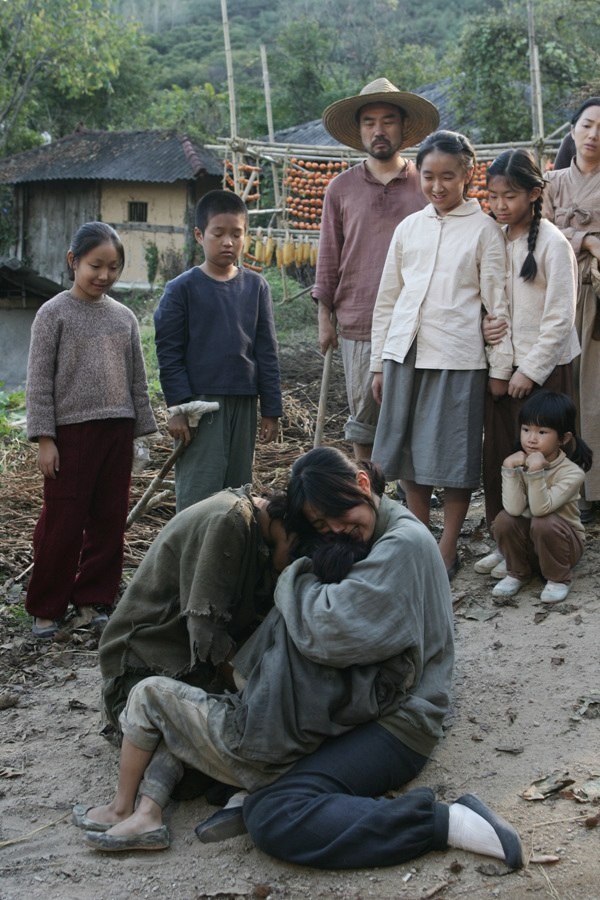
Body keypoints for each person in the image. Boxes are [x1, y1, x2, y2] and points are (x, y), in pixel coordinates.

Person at [72, 448, 522, 872]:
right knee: (249, 776)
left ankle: (446, 822)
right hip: (374, 709)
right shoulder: (375, 536)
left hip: (400, 724)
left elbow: (328, 633)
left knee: (277, 816)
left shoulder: (401, 543)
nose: (336, 530)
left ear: (362, 484)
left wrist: (297, 576)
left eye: (339, 516)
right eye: (320, 525)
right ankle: (224, 796)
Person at [370, 131, 513, 578]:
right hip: (404, 353)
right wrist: (379, 361)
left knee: (452, 458)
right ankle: (419, 540)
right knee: (409, 455)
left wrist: (500, 368)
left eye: (447, 177)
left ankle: (447, 548)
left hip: (456, 357)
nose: (437, 186)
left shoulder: (486, 231)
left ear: (468, 175)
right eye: (428, 176)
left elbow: (498, 305)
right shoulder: (409, 228)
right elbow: (388, 298)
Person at [25, 222, 157, 640]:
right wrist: (45, 439)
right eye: (94, 265)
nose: (104, 275)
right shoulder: (53, 314)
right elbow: (39, 382)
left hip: (116, 430)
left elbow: (137, 379)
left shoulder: (124, 318)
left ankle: (92, 600)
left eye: (113, 267)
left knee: (108, 519)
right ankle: (46, 607)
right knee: (63, 519)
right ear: (73, 261)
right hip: (70, 435)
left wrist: (141, 433)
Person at [98, 486, 294, 734]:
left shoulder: (256, 526)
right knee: (245, 731)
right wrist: (246, 687)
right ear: (291, 532)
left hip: (182, 662)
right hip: (141, 670)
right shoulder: (229, 521)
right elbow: (206, 634)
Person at [312, 78, 439, 460]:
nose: (379, 130)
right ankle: (368, 498)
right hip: (358, 319)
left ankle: (408, 507)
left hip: (419, 321)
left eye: (387, 121)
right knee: (364, 421)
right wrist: (324, 316)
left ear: (403, 128)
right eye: (369, 122)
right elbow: (329, 254)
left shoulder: (426, 185)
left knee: (414, 420)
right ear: (360, 130)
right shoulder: (341, 188)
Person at [474, 149, 580, 578]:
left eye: (510, 196)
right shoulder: (495, 239)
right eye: (493, 196)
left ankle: (550, 544)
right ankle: (506, 544)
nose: (500, 206)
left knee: (543, 460)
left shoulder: (554, 244)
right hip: (502, 370)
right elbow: (488, 301)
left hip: (545, 372)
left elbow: (559, 318)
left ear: (535, 194)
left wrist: (529, 371)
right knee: (502, 459)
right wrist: (486, 330)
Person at [154, 190, 282, 511]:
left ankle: (229, 555)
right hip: (200, 407)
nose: (228, 242)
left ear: (245, 236)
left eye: (236, 234)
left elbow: (267, 351)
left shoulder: (256, 287)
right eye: (218, 233)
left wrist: (270, 409)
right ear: (200, 235)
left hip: (243, 400)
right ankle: (193, 553)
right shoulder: (182, 289)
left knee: (237, 491)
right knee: (200, 488)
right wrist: (178, 408)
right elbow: (169, 353)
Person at [542, 97, 600, 524]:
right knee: (564, 392)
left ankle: (596, 490)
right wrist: (586, 240)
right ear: (573, 130)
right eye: (587, 125)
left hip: (597, 299)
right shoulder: (552, 182)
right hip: (558, 296)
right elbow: (538, 230)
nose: (593, 135)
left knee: (596, 395)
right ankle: (564, 486)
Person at [491, 391, 592, 604]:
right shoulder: (518, 462)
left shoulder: (572, 473)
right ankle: (517, 572)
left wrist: (536, 473)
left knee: (543, 522)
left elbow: (540, 510)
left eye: (542, 432)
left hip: (564, 547)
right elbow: (514, 510)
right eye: (526, 429)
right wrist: (509, 469)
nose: (531, 439)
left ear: (563, 438)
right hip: (530, 545)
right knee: (504, 519)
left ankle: (558, 578)